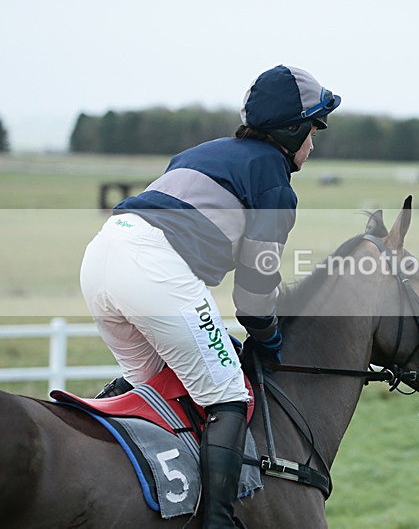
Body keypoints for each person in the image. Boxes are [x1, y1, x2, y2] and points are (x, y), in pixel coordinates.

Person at [80, 65, 340, 528]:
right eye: (313, 130)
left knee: (160, 389)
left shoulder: (202, 152)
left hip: (101, 255)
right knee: (229, 394)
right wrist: (269, 338)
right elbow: (255, 296)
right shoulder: (274, 180)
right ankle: (218, 521)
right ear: (294, 129)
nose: (313, 145)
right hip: (152, 267)